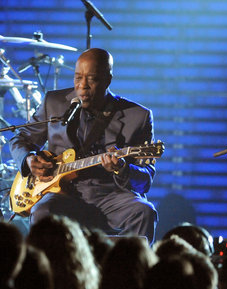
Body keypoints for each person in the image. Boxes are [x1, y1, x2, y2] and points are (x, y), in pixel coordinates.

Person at [9, 48, 158, 242]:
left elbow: (145, 181)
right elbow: (20, 139)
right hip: (62, 193)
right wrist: (28, 159)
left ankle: (130, 271)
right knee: (42, 210)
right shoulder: (54, 103)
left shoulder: (138, 116)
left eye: (92, 79)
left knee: (145, 212)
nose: (82, 86)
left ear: (107, 79)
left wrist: (122, 169)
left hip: (110, 196)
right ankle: (45, 271)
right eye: (78, 77)